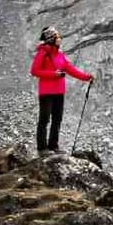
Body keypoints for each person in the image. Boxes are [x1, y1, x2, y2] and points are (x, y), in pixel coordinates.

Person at [29, 26, 94, 154]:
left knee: (57, 119)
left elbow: (70, 69)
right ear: (51, 38)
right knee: (44, 119)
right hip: (46, 92)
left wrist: (86, 77)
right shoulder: (43, 53)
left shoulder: (59, 55)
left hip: (59, 92)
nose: (60, 39)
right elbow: (34, 71)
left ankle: (53, 146)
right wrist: (54, 74)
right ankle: (42, 148)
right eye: (57, 36)